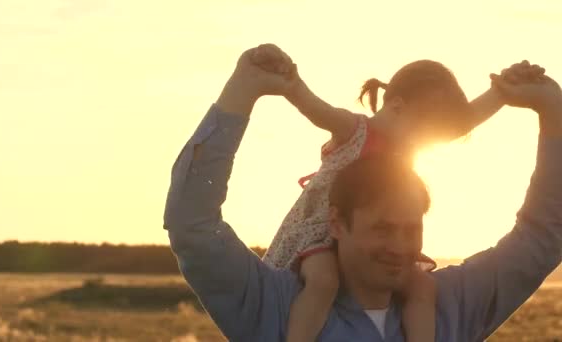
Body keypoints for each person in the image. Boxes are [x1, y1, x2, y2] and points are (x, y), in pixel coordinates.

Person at [164, 43, 562, 341]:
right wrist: (244, 91)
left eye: (411, 229)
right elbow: (193, 226)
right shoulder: (276, 306)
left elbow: (543, 238)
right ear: (338, 222)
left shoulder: (449, 306)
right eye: (383, 227)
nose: (400, 246)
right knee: (321, 280)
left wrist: (546, 106)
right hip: (310, 261)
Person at [251, 47, 515, 342]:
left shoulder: (409, 142)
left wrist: (502, 93)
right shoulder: (355, 130)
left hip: (372, 239)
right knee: (324, 282)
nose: (429, 139)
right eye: (425, 129)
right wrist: (292, 83)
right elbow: (317, 110)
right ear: (398, 107)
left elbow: (461, 122)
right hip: (323, 236)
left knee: (423, 288)